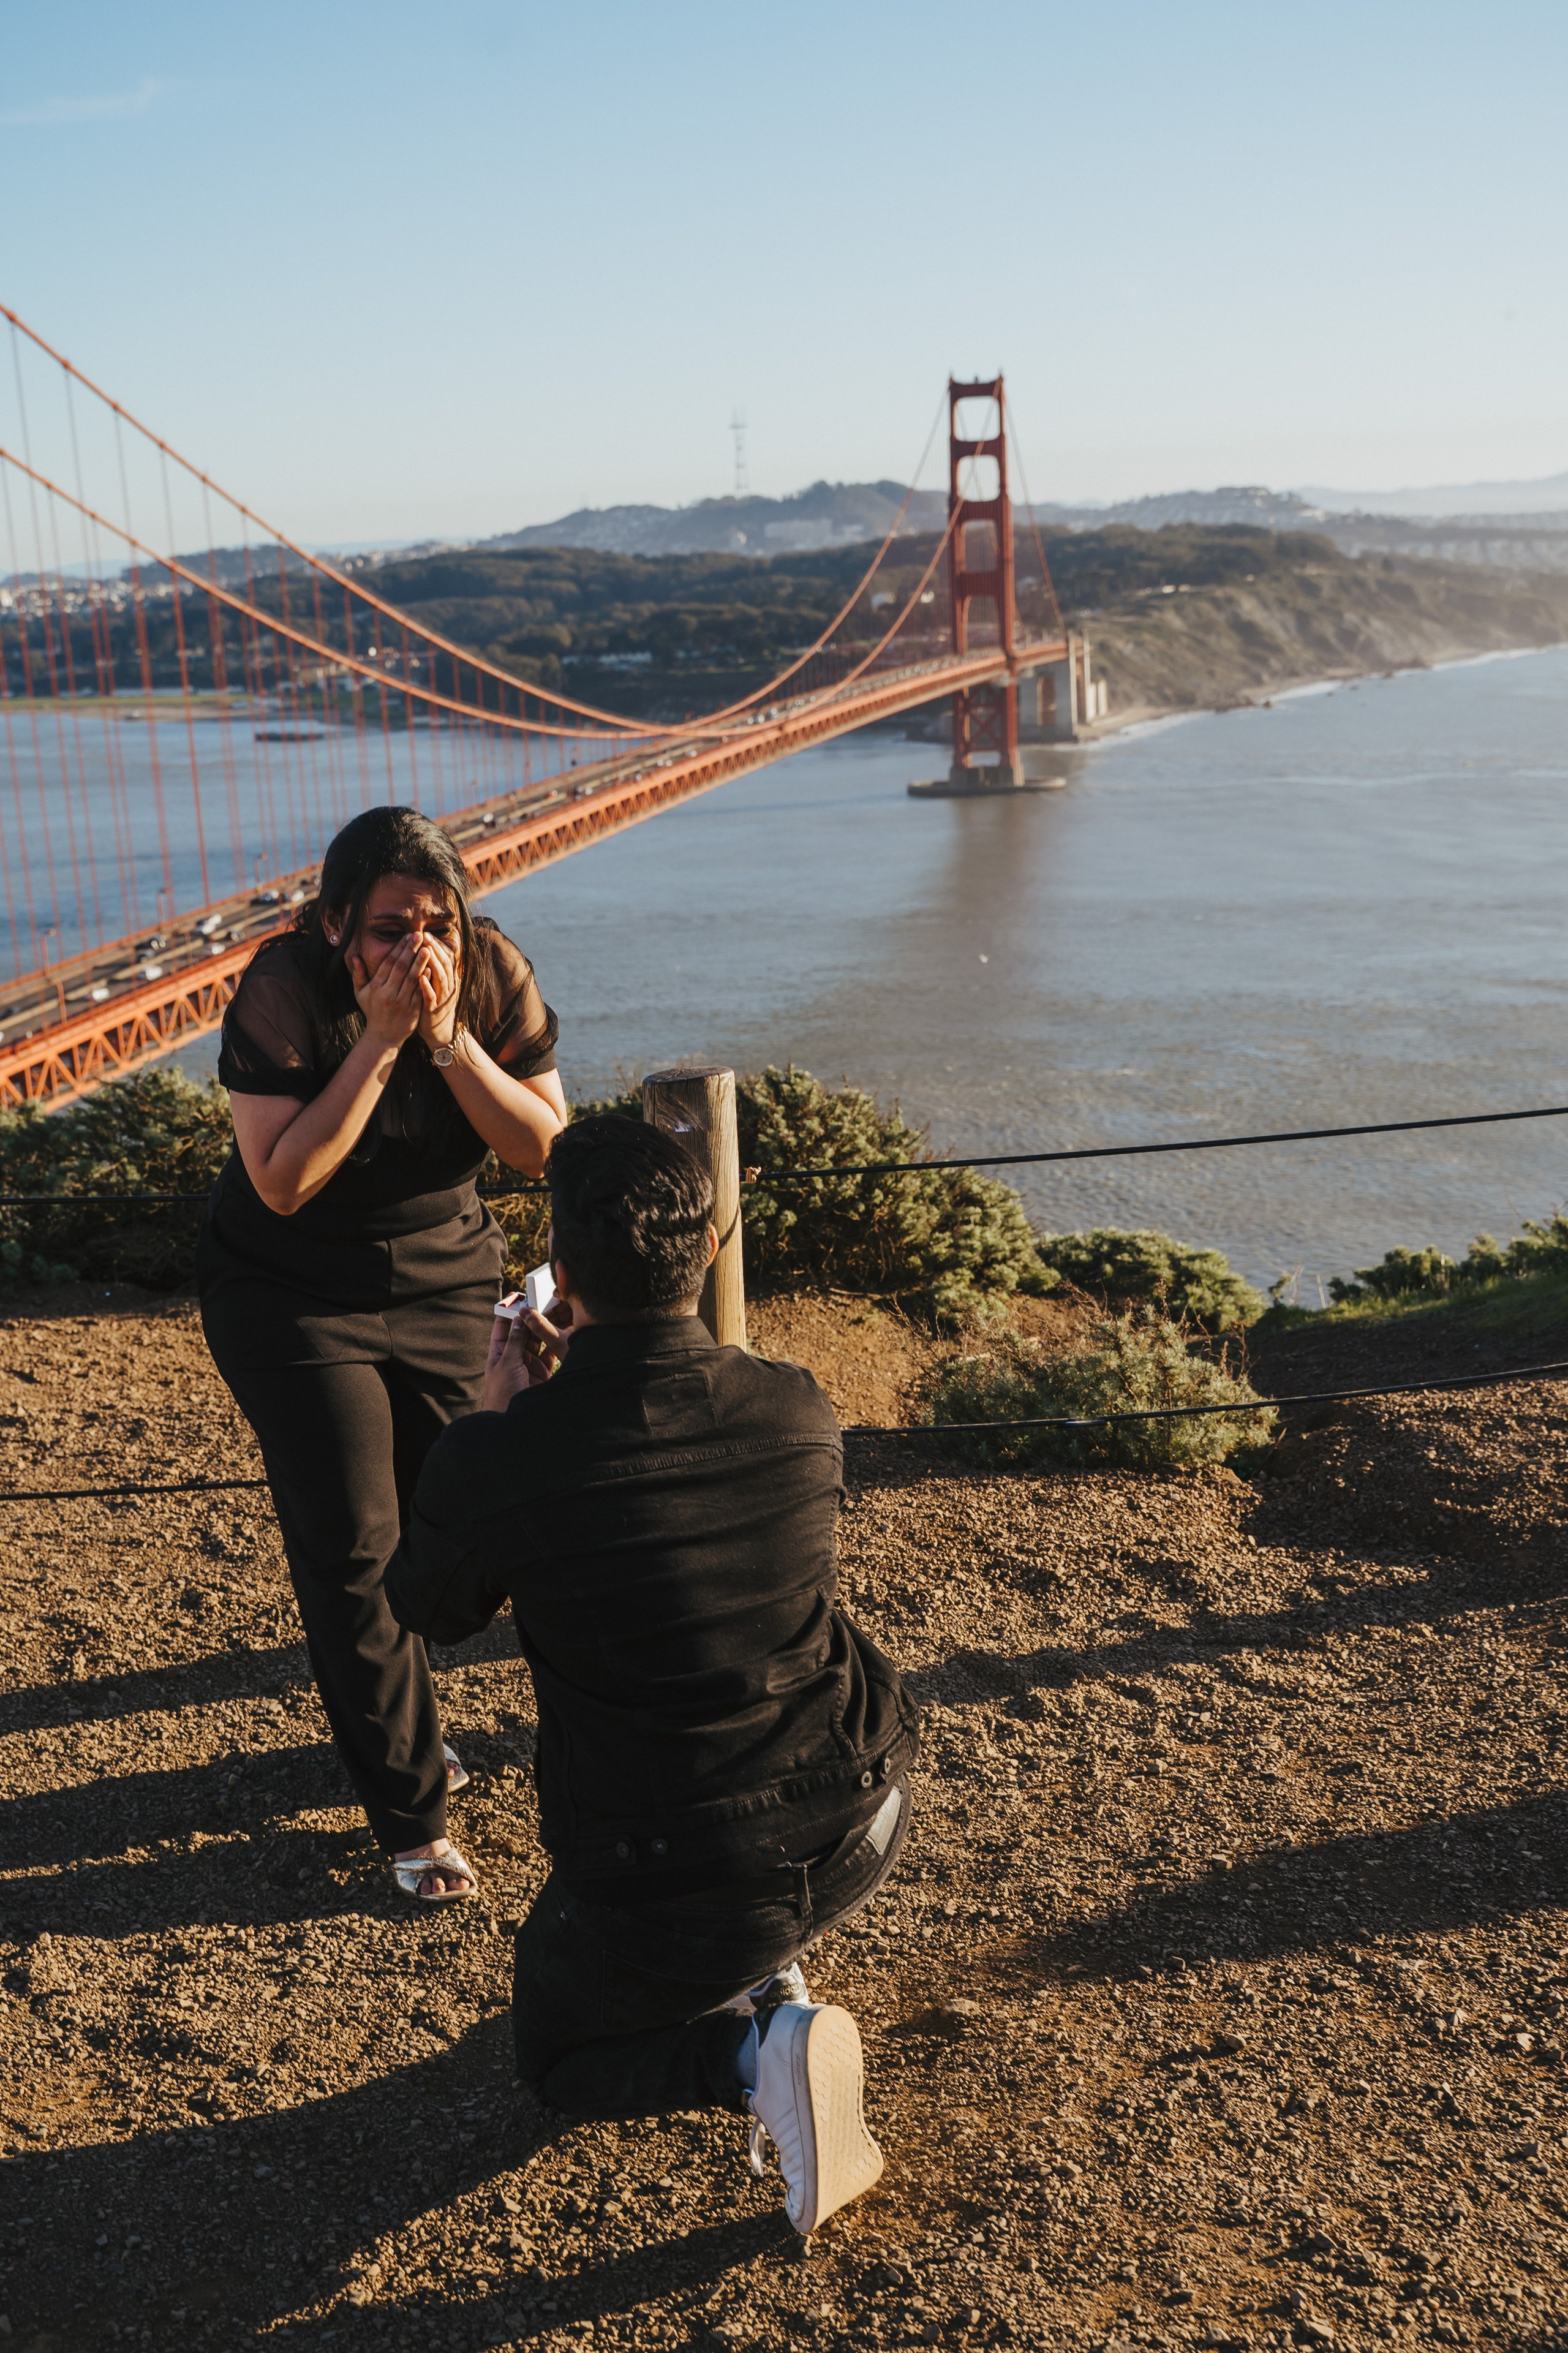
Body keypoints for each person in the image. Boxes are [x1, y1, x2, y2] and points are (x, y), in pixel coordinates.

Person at [384, 1114, 919, 2234]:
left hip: (667, 1869)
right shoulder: (798, 1407)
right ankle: (763, 1962)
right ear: (710, 1243)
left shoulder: (508, 1454)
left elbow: (428, 1610)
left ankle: (756, 2051)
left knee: (561, 2054)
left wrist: (493, 1421)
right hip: (862, 1809)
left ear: (560, 1281)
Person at [197, 804, 566, 1904]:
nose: (419, 951)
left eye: (437, 923)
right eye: (389, 928)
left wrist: (448, 1036)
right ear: (332, 926)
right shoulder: (282, 987)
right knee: (353, 1544)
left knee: (464, 1515)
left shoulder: (491, 971)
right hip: (289, 1289)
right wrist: (382, 1038)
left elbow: (544, 1143)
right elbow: (282, 1181)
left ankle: (399, 1727)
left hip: (445, 1270)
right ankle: (411, 1814)